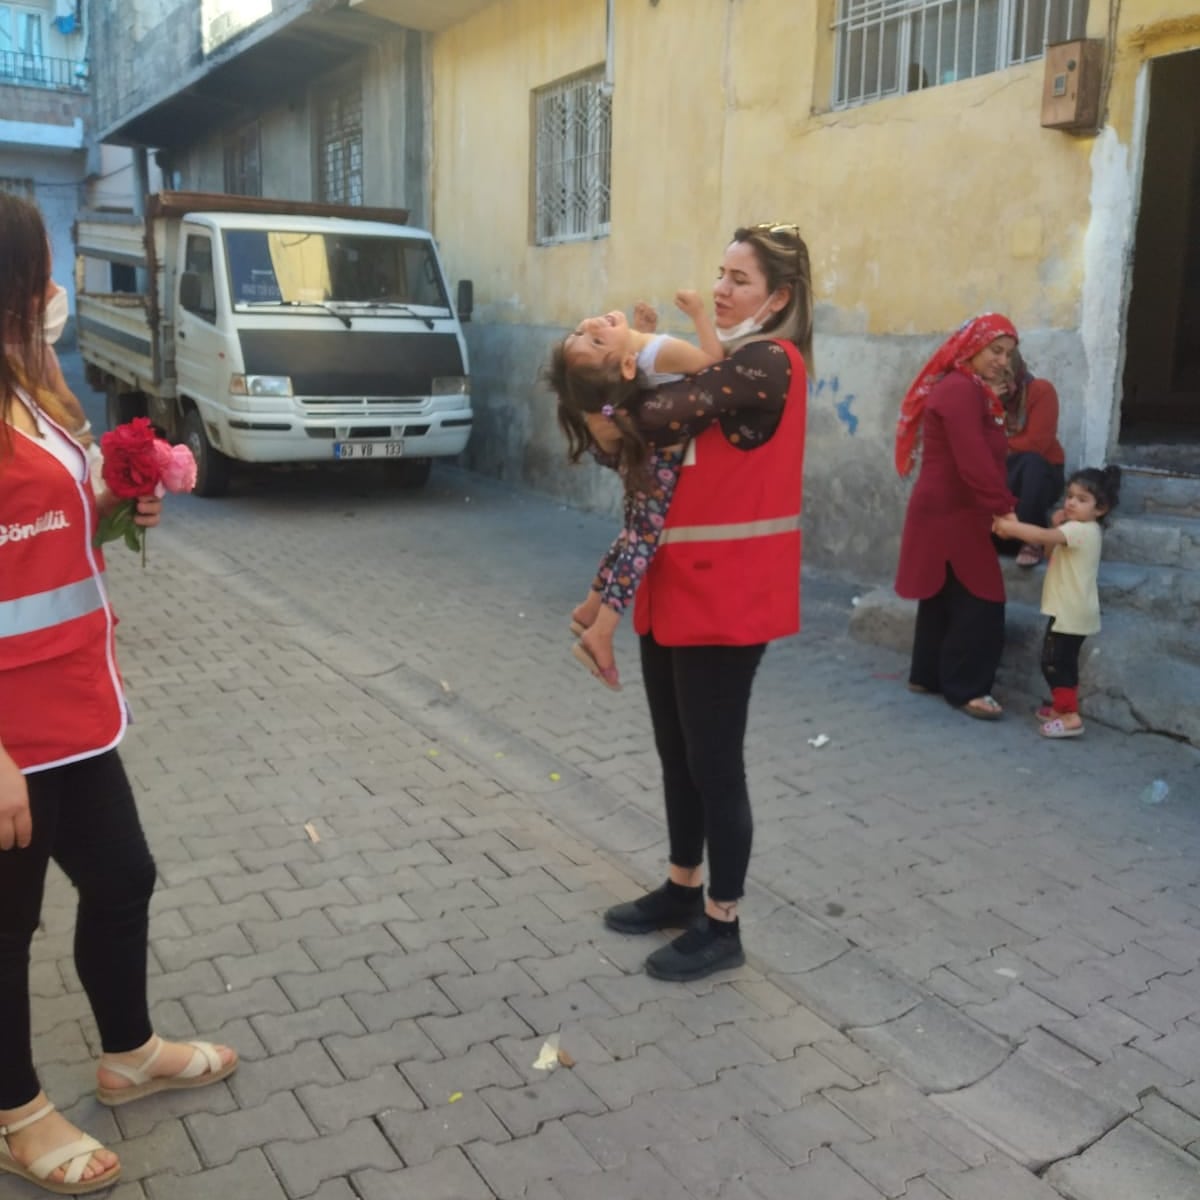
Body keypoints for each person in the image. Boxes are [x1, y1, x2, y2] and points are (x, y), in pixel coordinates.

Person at [0, 194, 237, 1197]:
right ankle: (15, 1111)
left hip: (75, 713)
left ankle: (128, 1053)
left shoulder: (32, 387)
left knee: (125, 877)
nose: (59, 292)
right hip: (9, 737)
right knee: (6, 930)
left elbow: (40, 541)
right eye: (46, 271)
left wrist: (111, 508)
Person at [597, 223, 811, 983]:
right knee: (678, 755)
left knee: (716, 763)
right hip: (675, 591)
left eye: (741, 280)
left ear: (778, 297)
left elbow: (651, 419)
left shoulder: (768, 364)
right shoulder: (721, 362)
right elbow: (631, 437)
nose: (721, 289)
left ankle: (724, 924)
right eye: (719, 274)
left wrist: (618, 378)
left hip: (728, 600)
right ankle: (682, 887)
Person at [546, 292, 723, 687]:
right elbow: (714, 365)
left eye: (582, 330)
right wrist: (697, 315)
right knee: (642, 541)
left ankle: (590, 609)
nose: (590, 324)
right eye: (590, 339)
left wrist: (641, 335)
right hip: (658, 464)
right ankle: (601, 633)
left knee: (632, 536)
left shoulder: (643, 353)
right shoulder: (660, 351)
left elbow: (640, 375)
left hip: (640, 457)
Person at [894, 314, 1019, 720]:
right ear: (972, 347)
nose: (1003, 361)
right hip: (953, 511)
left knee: (944, 594)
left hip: (951, 508)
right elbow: (973, 458)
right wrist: (1003, 506)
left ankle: (927, 675)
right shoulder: (961, 390)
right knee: (984, 598)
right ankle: (967, 688)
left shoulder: (967, 389)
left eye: (1009, 354)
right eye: (995, 351)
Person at [993, 466, 1121, 739]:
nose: (1072, 502)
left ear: (1100, 509)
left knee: (1054, 663)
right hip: (1069, 610)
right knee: (1059, 661)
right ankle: (1063, 708)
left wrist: (1010, 527)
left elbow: (1040, 539)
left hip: (1070, 612)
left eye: (1082, 499)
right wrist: (1055, 525)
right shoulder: (1077, 530)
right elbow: (1049, 549)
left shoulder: (1083, 530)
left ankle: (1070, 716)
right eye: (1070, 496)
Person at [1002, 348, 1065, 567]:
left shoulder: (1041, 390)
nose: (1003, 383)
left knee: (1031, 461)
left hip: (1043, 473)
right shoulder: (983, 398)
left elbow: (1038, 443)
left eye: (1007, 375)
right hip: (1005, 469)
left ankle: (1033, 540)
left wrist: (996, 443)